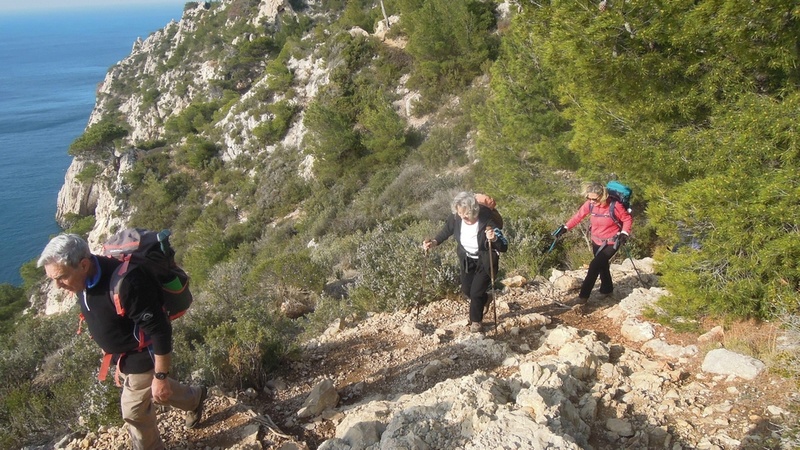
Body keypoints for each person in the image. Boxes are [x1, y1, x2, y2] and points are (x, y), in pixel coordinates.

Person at [38, 234, 208, 450]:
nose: (57, 286)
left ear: (83, 264)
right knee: (155, 390)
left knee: (134, 412)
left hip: (141, 356)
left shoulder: (128, 283)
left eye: (61, 277)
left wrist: (161, 375)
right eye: (52, 279)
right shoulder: (81, 281)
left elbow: (160, 330)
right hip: (121, 357)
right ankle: (195, 398)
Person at [423, 192, 508, 332]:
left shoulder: (488, 221)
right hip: (467, 259)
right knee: (467, 290)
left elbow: (504, 246)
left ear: (474, 211)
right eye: (460, 213)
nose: (462, 217)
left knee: (475, 293)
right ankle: (486, 299)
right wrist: (433, 242)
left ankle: (476, 322)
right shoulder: (456, 218)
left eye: (465, 214)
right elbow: (446, 231)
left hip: (485, 260)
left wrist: (493, 239)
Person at [553, 182, 633, 304]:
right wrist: (565, 228)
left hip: (612, 242)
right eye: (588, 198)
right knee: (602, 265)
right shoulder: (590, 205)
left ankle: (583, 297)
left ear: (603, 196)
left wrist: (624, 233)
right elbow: (578, 216)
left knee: (594, 266)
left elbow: (627, 219)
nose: (591, 201)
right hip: (596, 240)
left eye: (594, 199)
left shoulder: (615, 206)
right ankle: (607, 290)